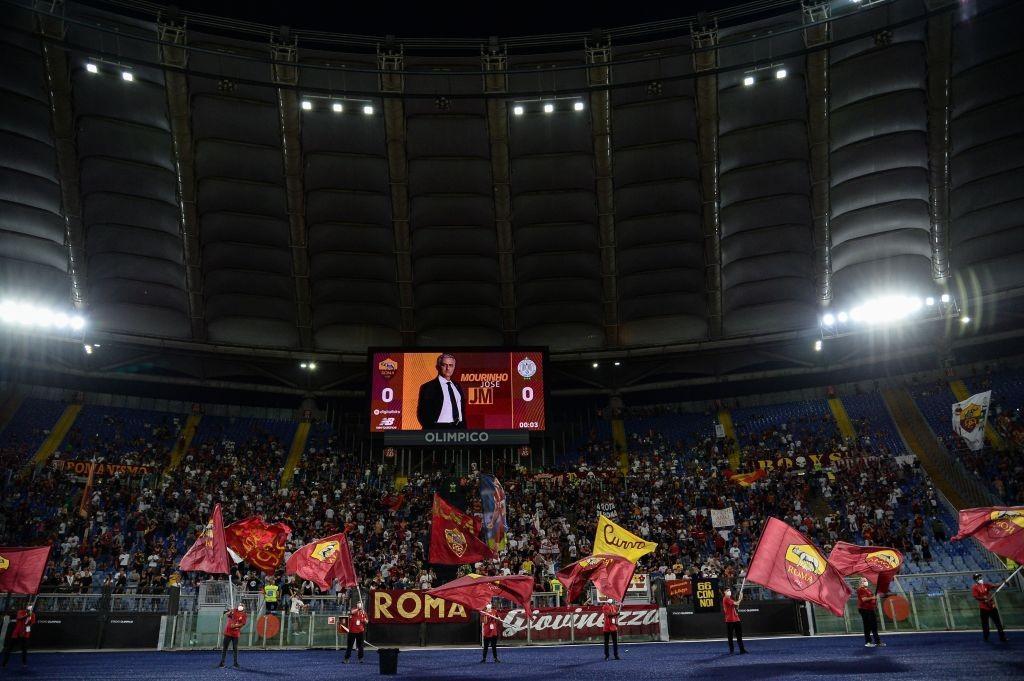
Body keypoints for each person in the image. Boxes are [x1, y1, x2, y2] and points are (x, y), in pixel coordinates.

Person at [416, 353, 466, 429]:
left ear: (454, 367)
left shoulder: (457, 386)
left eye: (450, 365)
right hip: (438, 429)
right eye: (444, 365)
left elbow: (461, 411)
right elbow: (422, 413)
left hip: (459, 428)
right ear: (438, 367)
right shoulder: (428, 387)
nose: (448, 368)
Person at [971, 573, 1008, 642]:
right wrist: (983, 598)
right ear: (975, 580)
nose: (980, 579)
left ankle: (1002, 637)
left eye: (980, 577)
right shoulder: (974, 587)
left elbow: (994, 586)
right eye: (978, 578)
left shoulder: (986, 585)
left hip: (991, 607)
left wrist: (1003, 583)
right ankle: (986, 637)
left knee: (998, 623)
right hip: (984, 608)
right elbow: (976, 596)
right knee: (985, 624)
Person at [2, 604, 36, 668]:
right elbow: (19, 618)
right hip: (16, 633)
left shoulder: (33, 615)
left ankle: (24, 663)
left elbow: (32, 624)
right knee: (9, 648)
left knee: (24, 649)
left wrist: (26, 630)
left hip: (25, 634)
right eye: (28, 607)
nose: (29, 608)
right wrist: (27, 616)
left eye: (30, 607)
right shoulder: (20, 612)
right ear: (26, 607)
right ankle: (4, 663)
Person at [219, 603, 247, 668]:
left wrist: (235, 626)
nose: (240, 606)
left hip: (235, 634)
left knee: (235, 649)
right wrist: (230, 612)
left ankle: (235, 663)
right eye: (239, 605)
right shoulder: (234, 611)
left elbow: (243, 623)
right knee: (225, 648)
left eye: (242, 605)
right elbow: (227, 614)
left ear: (244, 607)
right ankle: (222, 662)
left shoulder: (244, 615)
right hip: (228, 632)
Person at [857, 578, 883, 647]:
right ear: (861, 583)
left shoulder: (867, 589)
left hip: (870, 609)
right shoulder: (861, 590)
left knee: (873, 625)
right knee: (868, 626)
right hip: (865, 609)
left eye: (866, 581)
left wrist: (874, 600)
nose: (866, 582)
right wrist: (872, 598)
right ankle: (869, 642)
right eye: (864, 581)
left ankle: (876, 642)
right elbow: (864, 599)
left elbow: (870, 598)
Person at [722, 588, 746, 654]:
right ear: (724, 592)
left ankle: (742, 650)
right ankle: (731, 651)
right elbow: (737, 603)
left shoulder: (730, 599)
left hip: (736, 619)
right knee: (730, 637)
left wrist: (738, 603)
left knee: (739, 636)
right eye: (727, 591)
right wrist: (741, 597)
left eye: (729, 590)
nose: (729, 591)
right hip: (729, 620)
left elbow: (736, 606)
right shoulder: (726, 599)